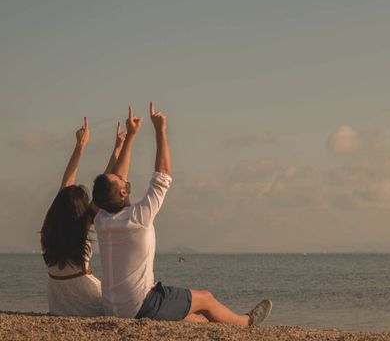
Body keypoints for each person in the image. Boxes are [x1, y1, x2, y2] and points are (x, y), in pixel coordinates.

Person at [92, 103, 272, 325]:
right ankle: (247, 322)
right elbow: (163, 176)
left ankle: (218, 324)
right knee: (206, 298)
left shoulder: (101, 220)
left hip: (113, 307)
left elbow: (115, 180)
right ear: (121, 192)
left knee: (195, 319)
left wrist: (131, 136)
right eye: (120, 180)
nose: (121, 176)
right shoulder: (138, 217)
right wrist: (160, 130)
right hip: (141, 304)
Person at [40, 117, 127, 316]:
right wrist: (118, 148)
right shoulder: (83, 224)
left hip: (58, 300)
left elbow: (67, 181)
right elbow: (104, 188)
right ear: (82, 208)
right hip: (83, 296)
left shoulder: (49, 226)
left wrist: (80, 146)